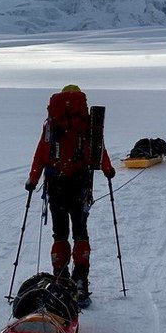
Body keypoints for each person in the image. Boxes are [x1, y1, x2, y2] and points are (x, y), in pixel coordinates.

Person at [24, 85, 115, 302]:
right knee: (80, 232)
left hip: (55, 185)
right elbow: (98, 149)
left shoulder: (51, 124)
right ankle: (80, 280)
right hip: (80, 184)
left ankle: (60, 276)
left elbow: (41, 153)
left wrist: (33, 179)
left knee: (60, 233)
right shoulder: (86, 123)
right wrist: (108, 170)